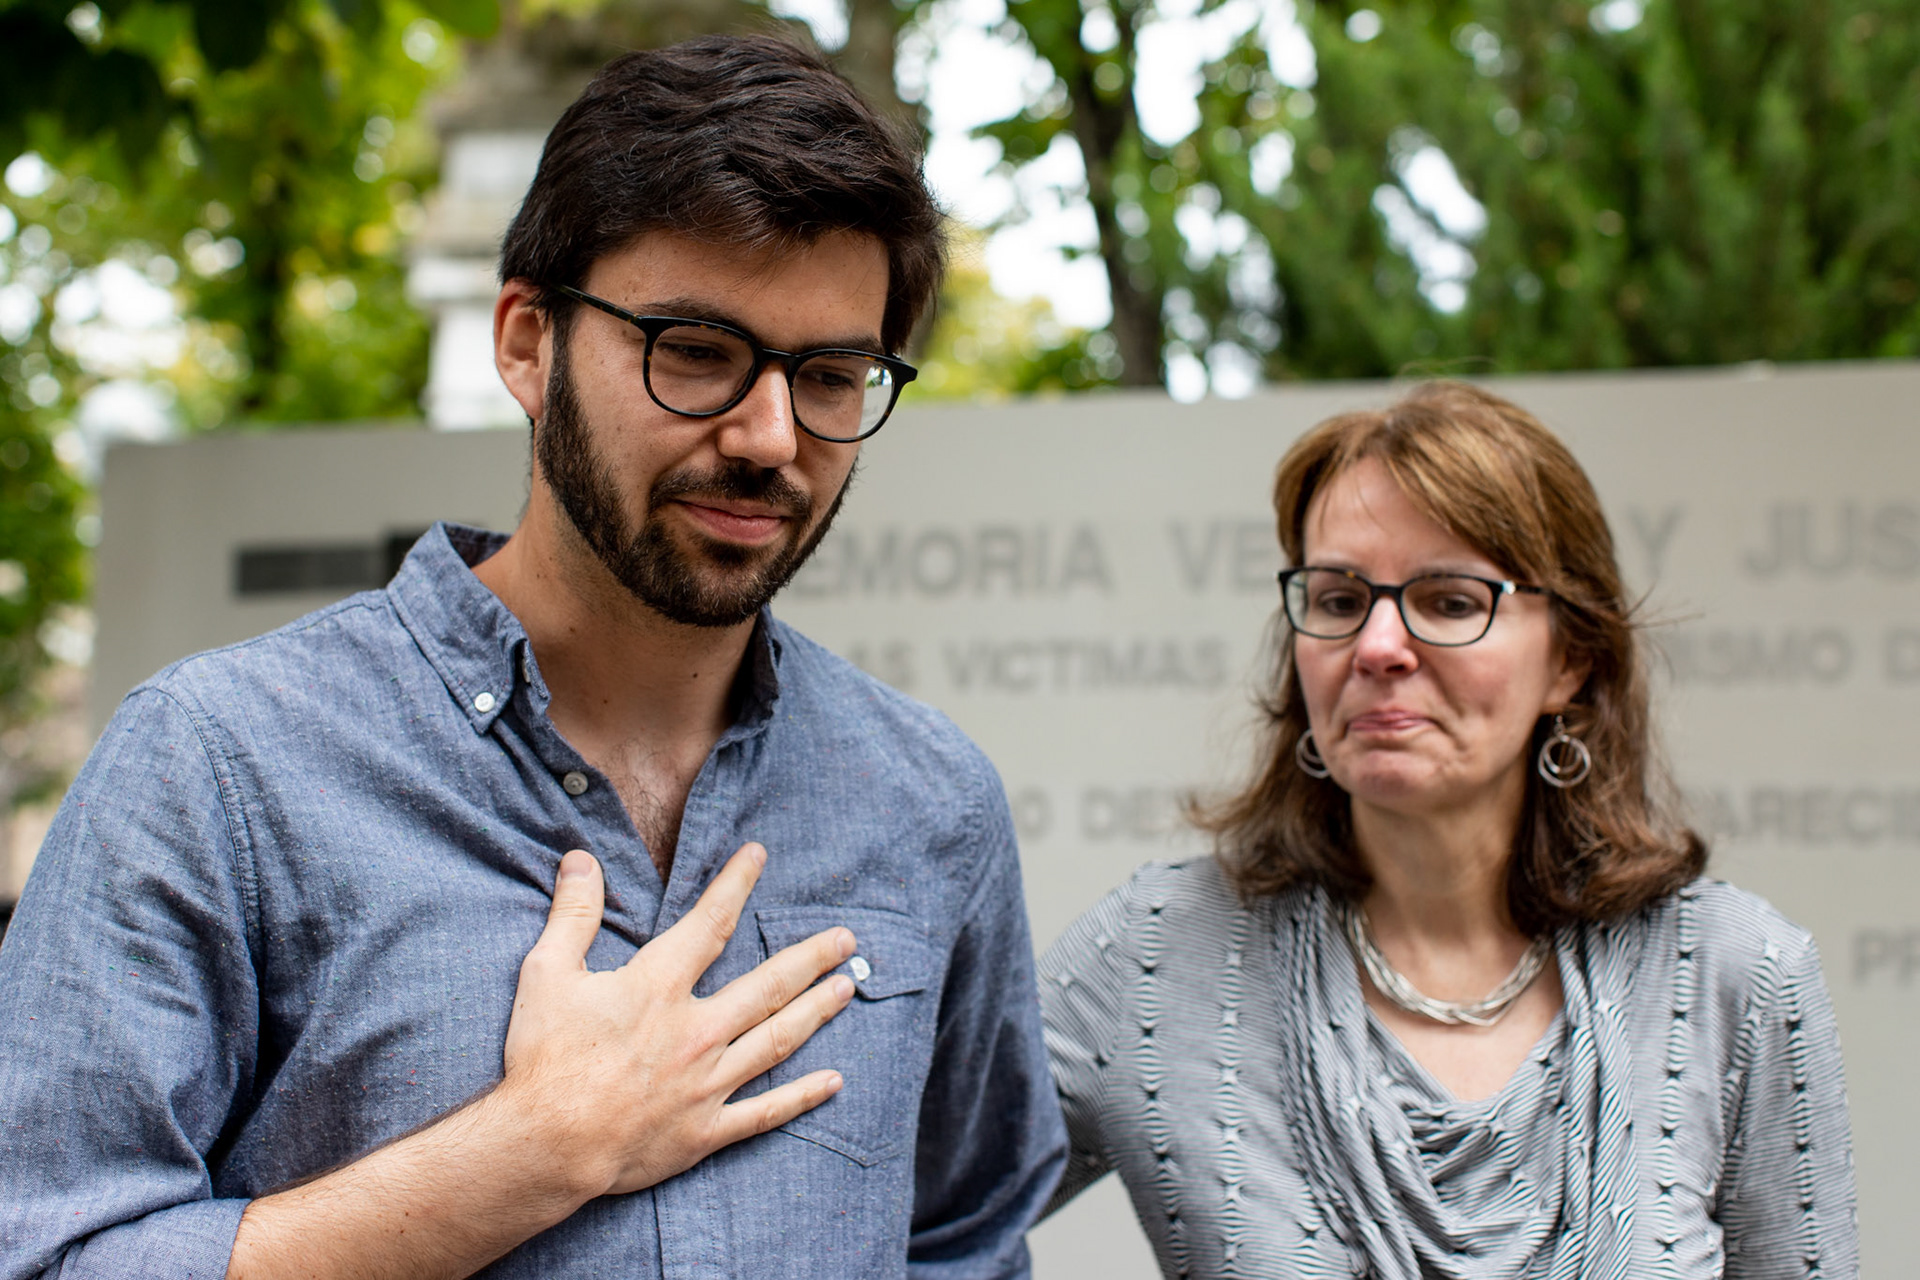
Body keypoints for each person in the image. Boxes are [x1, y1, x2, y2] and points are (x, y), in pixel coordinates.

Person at [0, 36, 1065, 1279]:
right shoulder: (220, 766)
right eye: (697, 350)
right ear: (527, 343)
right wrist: (525, 1153)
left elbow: (963, 1243)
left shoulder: (932, 800)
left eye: (831, 376)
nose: (772, 436)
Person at [1040, 381, 1857, 1278]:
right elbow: (891, 1219)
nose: (1379, 646)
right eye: (1342, 600)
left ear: (1571, 662)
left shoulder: (1737, 972)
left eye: (1451, 601)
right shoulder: (1158, 953)